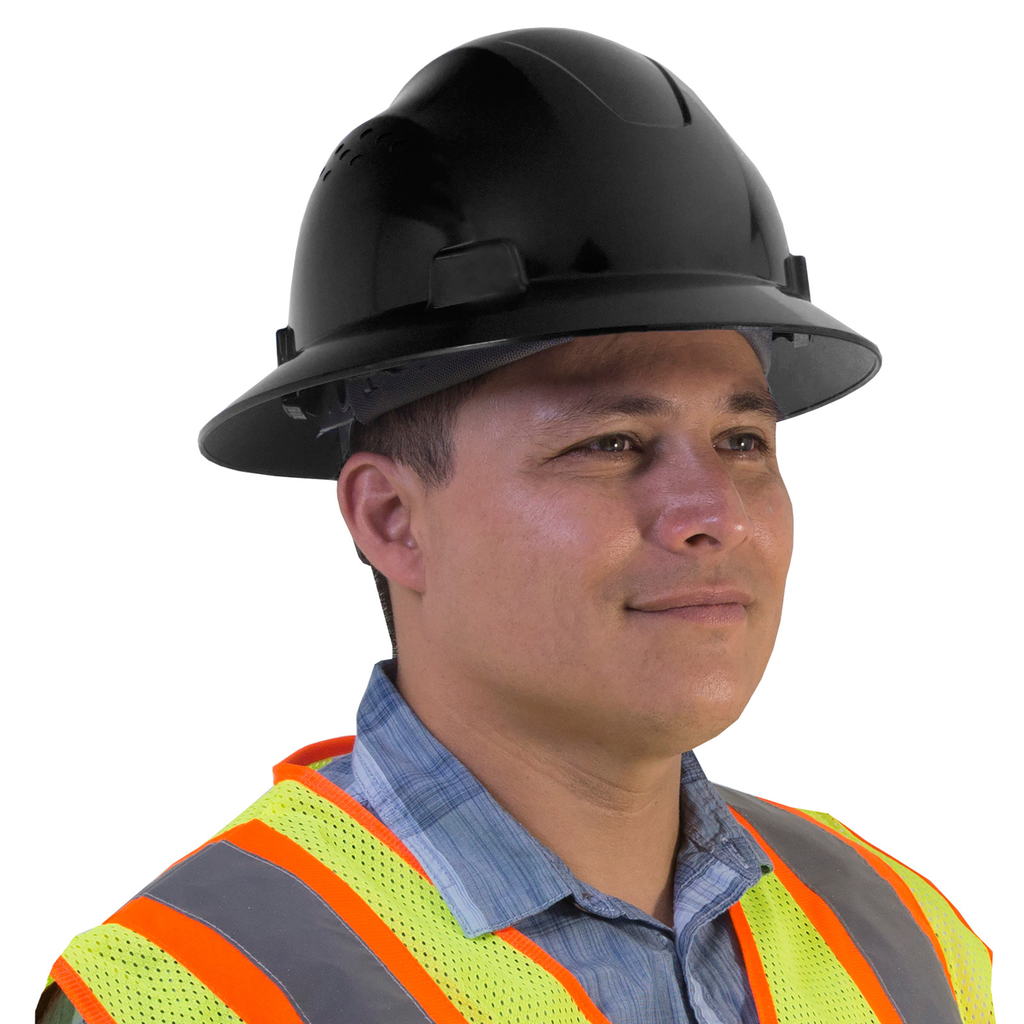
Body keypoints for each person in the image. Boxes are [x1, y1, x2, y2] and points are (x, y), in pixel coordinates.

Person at [38, 27, 995, 1024]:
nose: (712, 514)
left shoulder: (907, 948)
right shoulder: (195, 997)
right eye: (614, 443)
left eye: (742, 441)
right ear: (391, 517)